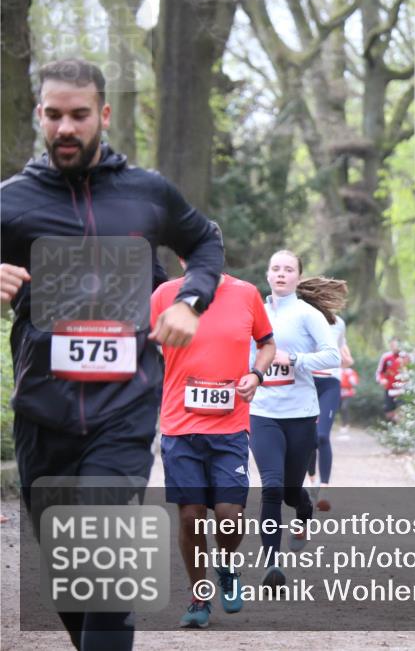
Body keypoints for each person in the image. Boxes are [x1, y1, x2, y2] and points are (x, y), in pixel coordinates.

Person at [0, 59, 223, 651]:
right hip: (42, 410)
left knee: (102, 546)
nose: (65, 128)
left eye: (79, 115)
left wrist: (190, 300)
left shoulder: (147, 193)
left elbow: (204, 241)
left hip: (124, 407)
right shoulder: (12, 203)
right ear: (39, 116)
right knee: (69, 571)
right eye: (54, 115)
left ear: (103, 114)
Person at [150, 223, 275, 628]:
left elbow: (267, 343)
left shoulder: (246, 294)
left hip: (230, 427)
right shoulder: (164, 295)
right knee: (190, 516)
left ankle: (226, 564)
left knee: (229, 514)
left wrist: (256, 374)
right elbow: (142, 347)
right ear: (181, 256)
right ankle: (199, 597)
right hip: (179, 425)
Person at [250, 250, 340, 588]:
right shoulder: (254, 312)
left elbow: (332, 356)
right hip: (263, 412)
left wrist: (295, 359)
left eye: (288, 269)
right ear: (267, 274)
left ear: (298, 277)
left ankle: (304, 511)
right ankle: (271, 565)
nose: (281, 274)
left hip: (301, 414)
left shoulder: (307, 314)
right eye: (275, 268)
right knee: (271, 486)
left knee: (290, 492)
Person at [300, 277, 353, 508]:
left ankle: (324, 489)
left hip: (329, 383)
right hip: (306, 382)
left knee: (322, 436)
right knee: (308, 437)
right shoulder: (301, 319)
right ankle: (312, 482)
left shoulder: (338, 323)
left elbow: (341, 354)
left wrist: (345, 360)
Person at [375, 337, 409, 422]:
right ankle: (392, 425)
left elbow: (412, 371)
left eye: (396, 344)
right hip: (390, 388)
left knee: (402, 411)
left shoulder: (406, 357)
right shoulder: (386, 357)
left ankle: (400, 427)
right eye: (392, 345)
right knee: (389, 413)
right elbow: (379, 372)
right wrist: (381, 380)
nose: (394, 347)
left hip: (403, 389)